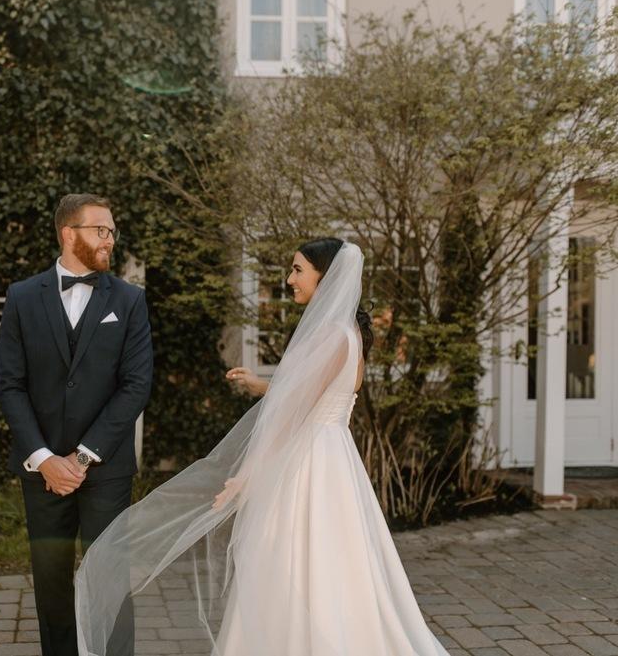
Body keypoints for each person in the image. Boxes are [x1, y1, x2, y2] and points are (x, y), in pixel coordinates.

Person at [75, 238, 450, 656]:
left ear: (323, 277)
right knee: (333, 564)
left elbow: (294, 414)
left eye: (297, 270)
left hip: (308, 464)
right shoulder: (349, 333)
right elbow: (317, 393)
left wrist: (246, 476)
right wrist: (261, 385)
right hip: (333, 458)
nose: (289, 279)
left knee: (295, 562)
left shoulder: (331, 333)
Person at [0, 193, 152, 656]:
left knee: (110, 579)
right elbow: (10, 384)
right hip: (41, 471)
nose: (109, 239)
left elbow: (136, 385)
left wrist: (81, 458)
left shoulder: (129, 300)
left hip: (105, 469)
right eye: (99, 230)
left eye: (111, 231)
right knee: (50, 579)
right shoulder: (23, 297)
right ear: (69, 234)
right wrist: (45, 459)